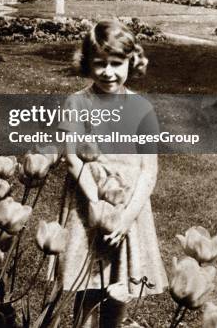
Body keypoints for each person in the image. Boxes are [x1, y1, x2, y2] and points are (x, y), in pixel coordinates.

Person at [58, 20, 167, 328]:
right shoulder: (77, 103)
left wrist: (127, 217)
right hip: (87, 206)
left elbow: (149, 171)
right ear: (87, 64)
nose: (108, 72)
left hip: (127, 211)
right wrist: (94, 201)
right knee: (86, 285)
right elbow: (71, 159)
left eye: (116, 63)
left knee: (118, 289)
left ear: (130, 63)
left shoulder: (141, 108)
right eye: (100, 64)